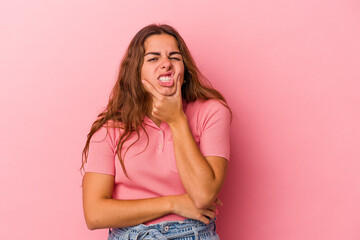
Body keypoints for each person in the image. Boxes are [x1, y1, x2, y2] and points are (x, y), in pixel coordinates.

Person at [81, 24, 231, 240]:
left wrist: (177, 119)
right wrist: (174, 203)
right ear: (136, 71)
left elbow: (203, 196)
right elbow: (94, 215)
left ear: (184, 69)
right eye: (153, 58)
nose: (166, 64)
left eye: (174, 57)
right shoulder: (111, 127)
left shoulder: (212, 112)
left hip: (192, 234)